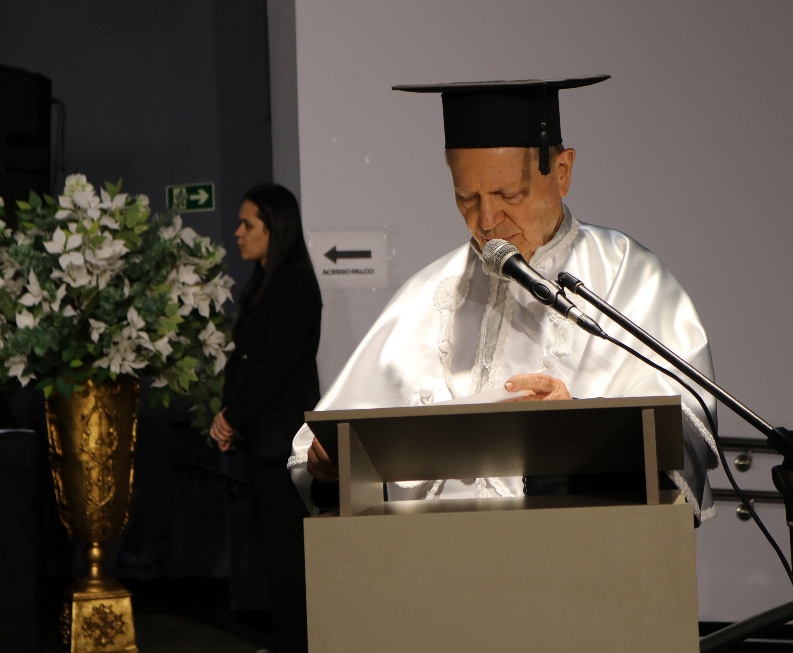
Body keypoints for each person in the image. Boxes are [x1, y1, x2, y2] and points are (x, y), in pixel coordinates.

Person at [289, 76, 719, 523]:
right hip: (436, 555)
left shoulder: (626, 275)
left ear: (563, 171)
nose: (487, 219)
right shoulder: (428, 294)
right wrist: (332, 466)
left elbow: (682, 426)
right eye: (466, 197)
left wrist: (580, 428)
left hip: (577, 544)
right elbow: (324, 450)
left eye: (508, 195)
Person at [210, 183, 321, 653]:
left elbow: (274, 365)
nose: (238, 232)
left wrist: (233, 416)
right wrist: (230, 416)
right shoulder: (267, 282)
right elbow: (249, 362)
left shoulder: (293, 283)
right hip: (265, 439)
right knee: (277, 552)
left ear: (274, 229)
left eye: (247, 224)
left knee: (289, 553)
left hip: (285, 445)